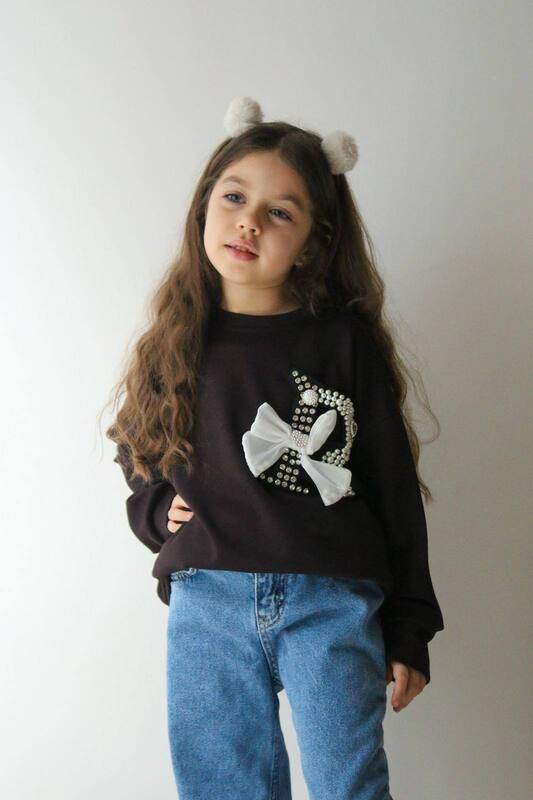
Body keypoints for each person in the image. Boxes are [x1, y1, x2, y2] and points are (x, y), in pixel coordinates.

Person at [106, 95, 445, 799]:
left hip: (331, 601)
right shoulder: (177, 340)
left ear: (314, 240)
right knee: (223, 787)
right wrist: (156, 508)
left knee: (349, 786)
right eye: (234, 197)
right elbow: (136, 447)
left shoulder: (342, 344)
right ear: (205, 205)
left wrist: (409, 626)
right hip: (207, 601)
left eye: (280, 211)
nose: (249, 221)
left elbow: (391, 484)